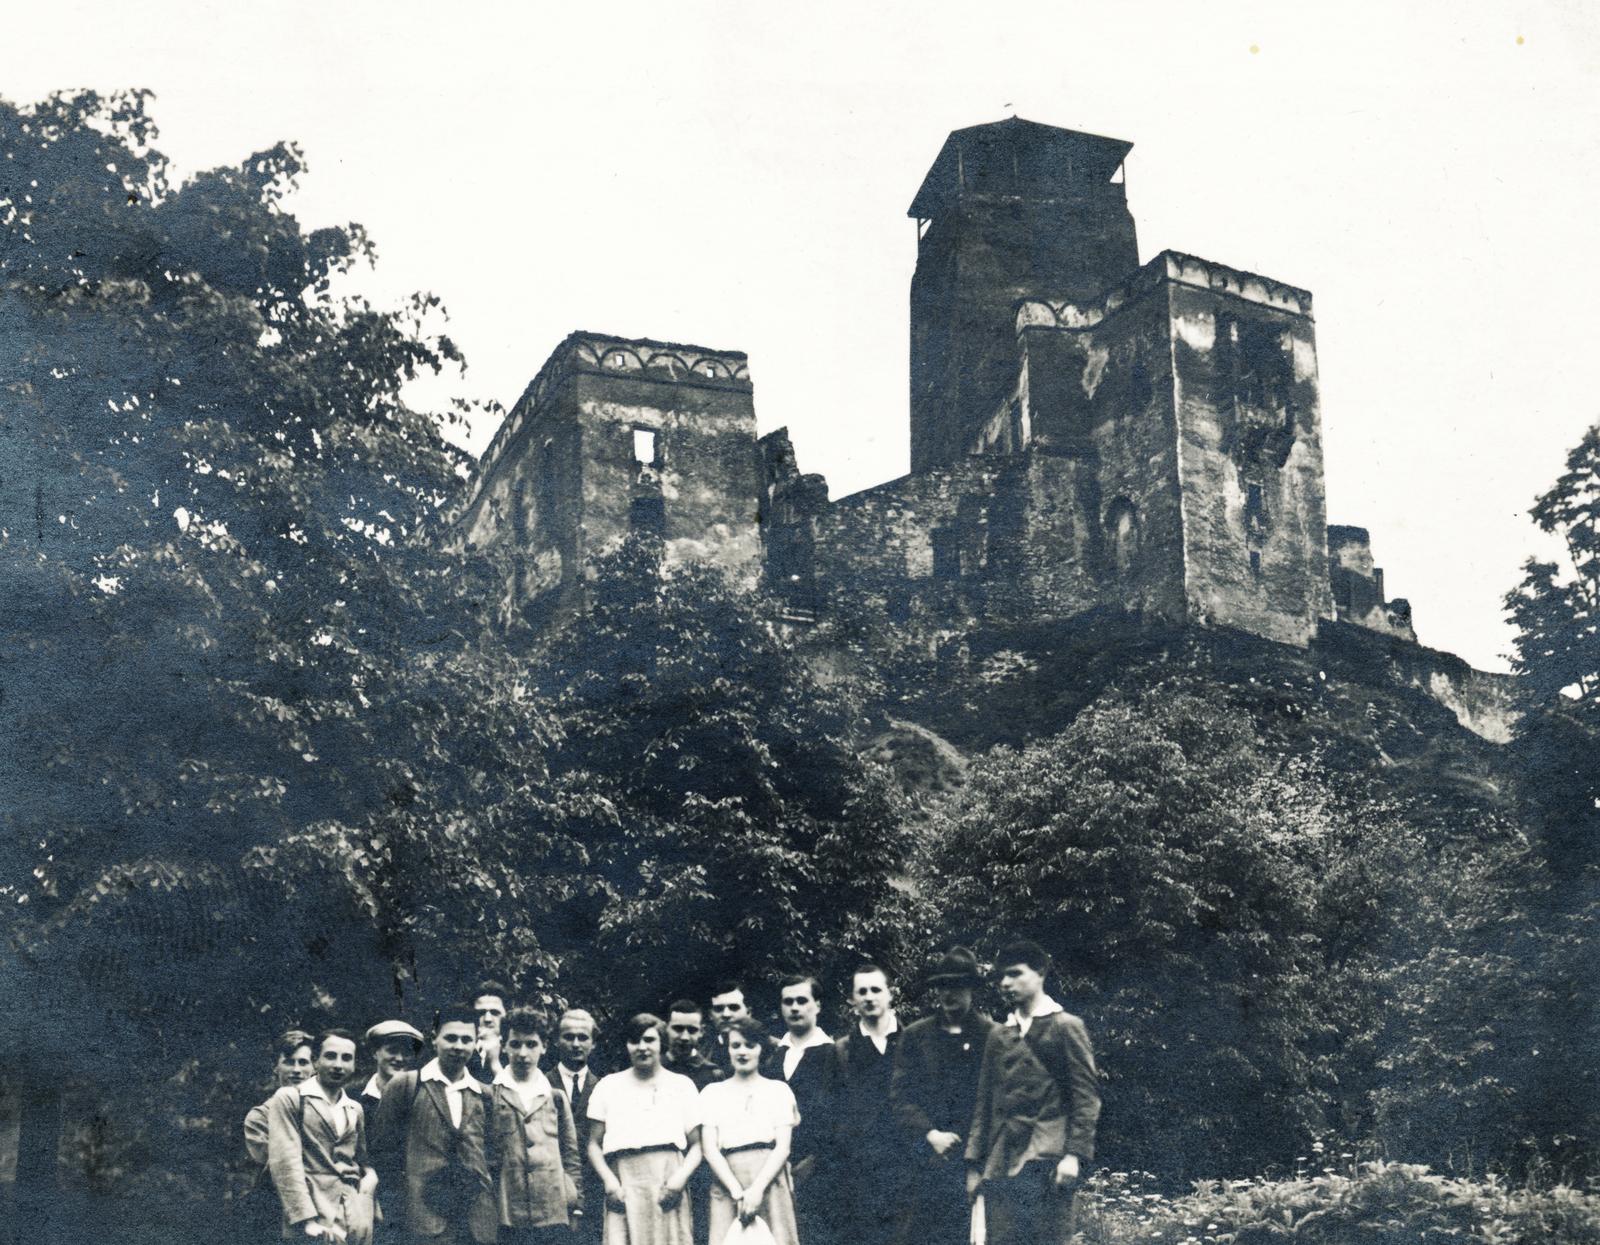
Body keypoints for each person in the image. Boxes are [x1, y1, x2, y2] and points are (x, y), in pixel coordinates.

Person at [969, 941, 1099, 1245]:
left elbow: (1086, 1098)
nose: (1005, 983)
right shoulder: (999, 1035)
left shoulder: (1066, 1027)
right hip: (1001, 1161)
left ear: (1040, 973)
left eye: (1015, 974)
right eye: (1001, 976)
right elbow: (984, 1103)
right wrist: (974, 1165)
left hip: (1047, 1160)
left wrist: (1074, 1156)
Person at [888, 948, 997, 1245]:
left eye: (958, 985)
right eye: (943, 986)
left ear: (972, 989)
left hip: (976, 1165)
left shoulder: (992, 1036)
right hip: (924, 1164)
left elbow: (996, 1103)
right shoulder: (915, 1036)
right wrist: (929, 1133)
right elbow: (900, 1097)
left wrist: (978, 1162)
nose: (949, 994)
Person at [370, 1004, 496, 1245]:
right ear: (434, 1039)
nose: (458, 1046)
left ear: (475, 1043)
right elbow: (383, 1154)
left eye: (466, 1039)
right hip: (423, 1221)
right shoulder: (407, 1085)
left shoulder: (484, 1094)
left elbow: (493, 1155)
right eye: (450, 1038)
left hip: (476, 1223)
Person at [586, 1014, 702, 1245]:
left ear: (661, 1043)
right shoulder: (608, 1086)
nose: (642, 1047)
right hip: (625, 1181)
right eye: (634, 1040)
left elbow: (698, 1144)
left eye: (649, 1040)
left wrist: (678, 1181)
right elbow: (593, 1144)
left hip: (667, 1178)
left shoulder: (681, 1085)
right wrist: (610, 1183)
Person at [266, 1029, 378, 1242]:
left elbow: (361, 1159)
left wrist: (371, 1179)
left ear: (354, 1065)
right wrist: (305, 1219)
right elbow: (285, 1161)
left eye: (346, 1058)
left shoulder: (354, 1108)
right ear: (315, 1061)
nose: (338, 1064)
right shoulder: (291, 1098)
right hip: (314, 1215)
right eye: (330, 1056)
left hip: (354, 1214)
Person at [699, 1017, 800, 1245]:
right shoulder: (712, 1093)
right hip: (727, 1181)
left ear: (761, 1048)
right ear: (728, 1049)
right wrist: (738, 1193)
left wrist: (756, 1191)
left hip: (769, 1179)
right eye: (736, 1046)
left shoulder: (778, 1091)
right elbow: (710, 1149)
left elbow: (783, 1148)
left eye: (749, 1045)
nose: (742, 1052)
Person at [488, 1008, 584, 1245]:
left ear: (544, 1046)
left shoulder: (556, 1097)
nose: (523, 1053)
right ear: (505, 1046)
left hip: (552, 1208)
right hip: (508, 1210)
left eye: (531, 1044)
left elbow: (571, 1155)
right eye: (516, 1044)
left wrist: (576, 1203)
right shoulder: (490, 1095)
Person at [831, 963, 910, 1245]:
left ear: (890, 995)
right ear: (853, 1001)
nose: (869, 997)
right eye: (861, 991)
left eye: (876, 989)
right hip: (859, 1173)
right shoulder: (842, 1050)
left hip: (906, 1168)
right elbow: (835, 1111)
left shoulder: (912, 1042)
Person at [767, 974, 835, 1245]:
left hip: (822, 1173)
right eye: (788, 1001)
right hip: (775, 1171)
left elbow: (841, 1119)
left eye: (802, 1001)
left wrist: (814, 1162)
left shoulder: (834, 1054)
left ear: (817, 1005)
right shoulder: (773, 1058)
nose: (794, 1007)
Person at [243, 1031, 316, 1238]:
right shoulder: (259, 1118)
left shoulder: (330, 1111)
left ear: (314, 1067)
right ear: (276, 1067)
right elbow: (278, 1165)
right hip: (279, 1213)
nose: (296, 1070)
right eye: (288, 1062)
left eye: (303, 1062)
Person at [555, 1009, 603, 1245]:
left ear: (593, 1043)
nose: (575, 1044)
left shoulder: (606, 1089)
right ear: (556, 1040)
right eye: (568, 1037)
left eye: (583, 1037)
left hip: (595, 1196)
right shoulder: (541, 1084)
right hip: (551, 1194)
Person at [360, 1021, 426, 1117]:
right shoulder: (354, 1095)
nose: (400, 1058)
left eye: (406, 1053)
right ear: (374, 1053)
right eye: (392, 1050)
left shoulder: (420, 1096)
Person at [663, 1002, 726, 1092]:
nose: (685, 1037)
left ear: (701, 1032)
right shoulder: (652, 1067)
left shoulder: (712, 1074)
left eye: (692, 1030)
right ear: (666, 1028)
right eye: (678, 1029)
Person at [469, 982, 510, 1084]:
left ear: (506, 1015)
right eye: (481, 1013)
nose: (487, 1019)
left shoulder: (517, 1051)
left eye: (495, 1013)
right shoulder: (461, 1049)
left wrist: (494, 1063)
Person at [706, 983, 750, 1072]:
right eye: (718, 1009)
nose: (726, 1014)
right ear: (710, 1015)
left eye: (734, 1007)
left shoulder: (773, 1050)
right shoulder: (702, 1052)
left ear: (748, 1012)